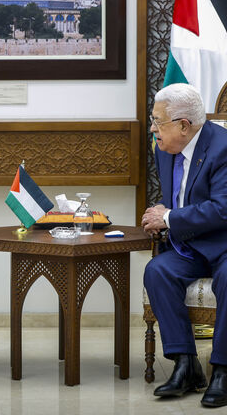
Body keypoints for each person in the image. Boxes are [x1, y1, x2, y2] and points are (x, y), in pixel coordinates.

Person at [142, 83, 227, 408]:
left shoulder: (221, 149)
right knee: (158, 271)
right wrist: (157, 215)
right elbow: (177, 199)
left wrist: (171, 218)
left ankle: (221, 369)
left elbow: (222, 208)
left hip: (223, 245)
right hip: (188, 247)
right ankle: (186, 364)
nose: (153, 128)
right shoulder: (165, 148)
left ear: (183, 125)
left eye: (157, 121)